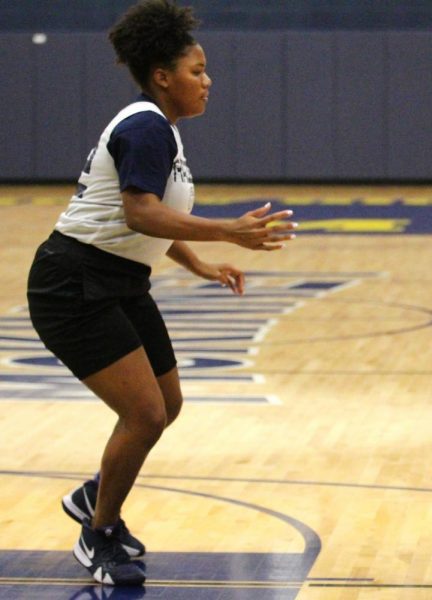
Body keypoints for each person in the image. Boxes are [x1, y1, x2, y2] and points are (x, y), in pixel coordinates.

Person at [26, 0, 296, 586]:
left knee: (167, 404)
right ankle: (97, 535)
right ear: (162, 77)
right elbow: (141, 213)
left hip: (118, 280)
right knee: (144, 413)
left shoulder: (161, 131)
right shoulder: (146, 125)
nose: (208, 80)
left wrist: (198, 261)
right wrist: (228, 229)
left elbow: (151, 218)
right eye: (197, 70)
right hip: (73, 284)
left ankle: (97, 492)